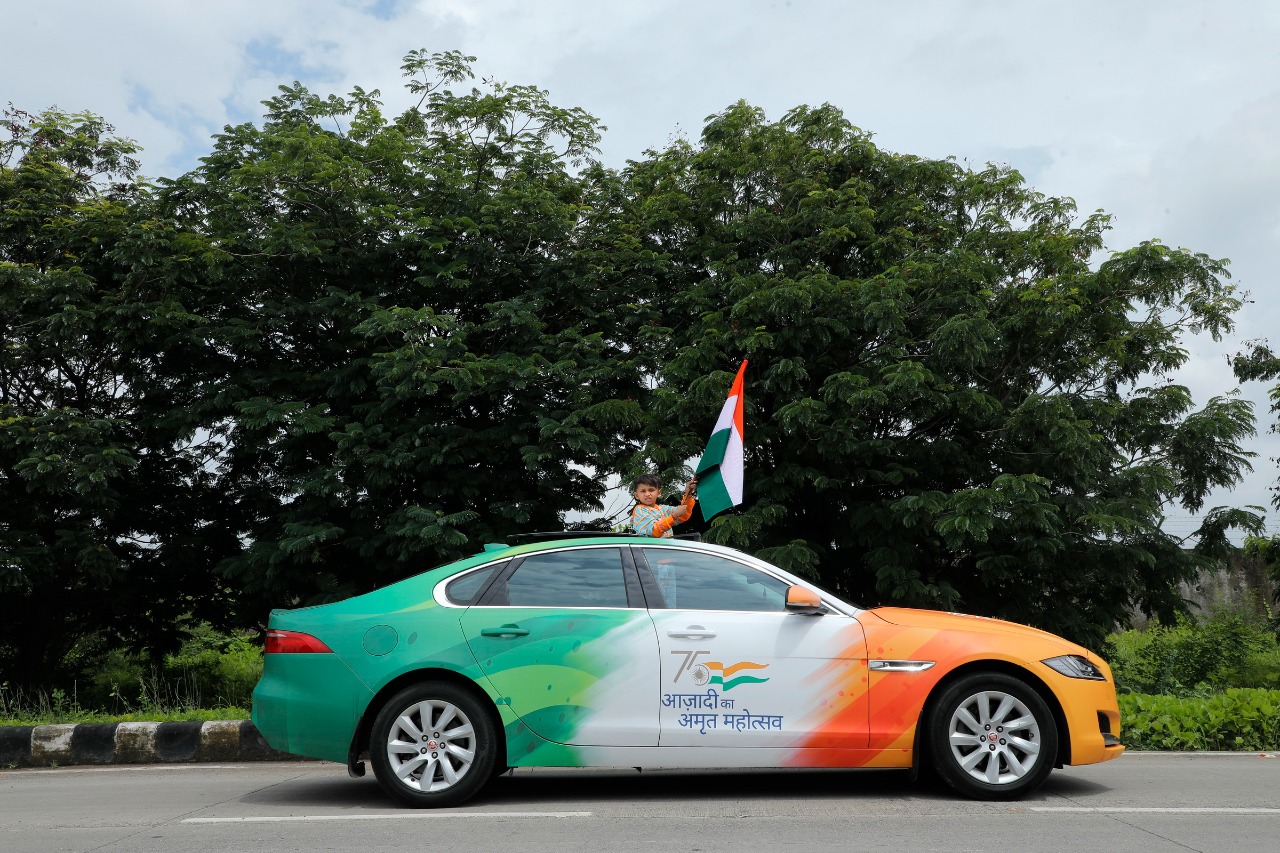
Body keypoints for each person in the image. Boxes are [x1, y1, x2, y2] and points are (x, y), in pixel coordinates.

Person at [629, 473, 698, 538]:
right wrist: (674, 516)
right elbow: (654, 531)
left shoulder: (663, 509)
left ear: (659, 493)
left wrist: (688, 492)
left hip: (667, 549)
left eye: (651, 490)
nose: (647, 494)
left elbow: (683, 514)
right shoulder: (639, 510)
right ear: (637, 495)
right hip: (651, 550)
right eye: (643, 491)